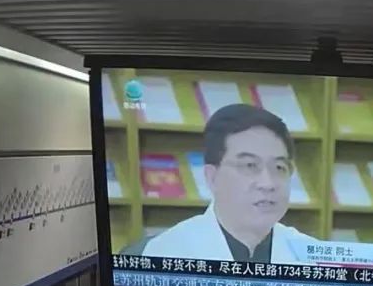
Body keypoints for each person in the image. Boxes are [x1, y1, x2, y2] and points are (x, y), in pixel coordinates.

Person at [134, 104, 319, 263]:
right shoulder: (167, 252)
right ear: (212, 177)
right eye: (250, 165)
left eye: (279, 167)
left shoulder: (313, 257)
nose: (267, 183)